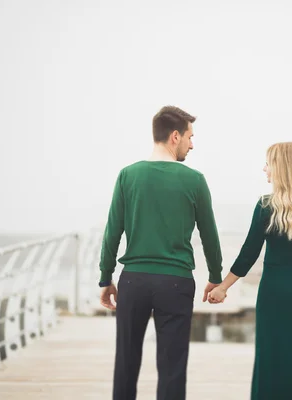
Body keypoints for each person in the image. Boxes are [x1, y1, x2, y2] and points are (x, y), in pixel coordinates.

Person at [97, 105, 224, 400]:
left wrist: (106, 279)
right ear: (175, 136)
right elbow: (209, 235)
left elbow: (112, 232)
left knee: (126, 362)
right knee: (172, 367)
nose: (193, 144)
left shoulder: (128, 176)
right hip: (176, 282)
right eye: (190, 137)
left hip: (134, 281)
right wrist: (216, 276)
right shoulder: (194, 180)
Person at [209, 141, 292, 399]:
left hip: (276, 292)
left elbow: (249, 253)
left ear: (281, 168)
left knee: (275, 354)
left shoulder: (266, 206)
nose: (264, 169)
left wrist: (223, 287)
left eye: (268, 164)